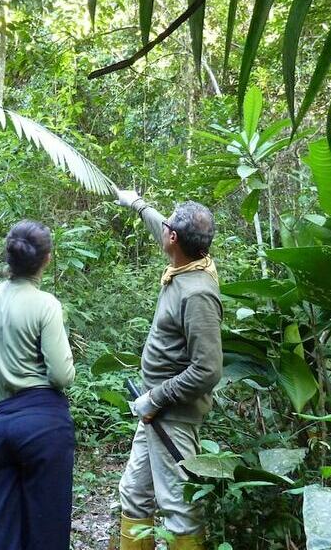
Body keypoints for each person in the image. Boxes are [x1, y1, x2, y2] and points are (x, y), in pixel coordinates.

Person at [113, 189, 223, 550]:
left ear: (173, 238)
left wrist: (155, 399)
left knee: (179, 508)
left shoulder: (197, 292)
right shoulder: (190, 262)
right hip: (154, 413)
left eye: (168, 226)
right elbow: (159, 223)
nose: (162, 228)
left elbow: (207, 370)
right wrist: (135, 202)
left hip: (171, 416)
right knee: (133, 493)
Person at [0, 220, 76, 550]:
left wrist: (0, 367)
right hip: (44, 423)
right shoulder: (46, 304)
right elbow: (62, 375)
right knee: (46, 529)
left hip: (1, 423)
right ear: (46, 259)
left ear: (9, 255)